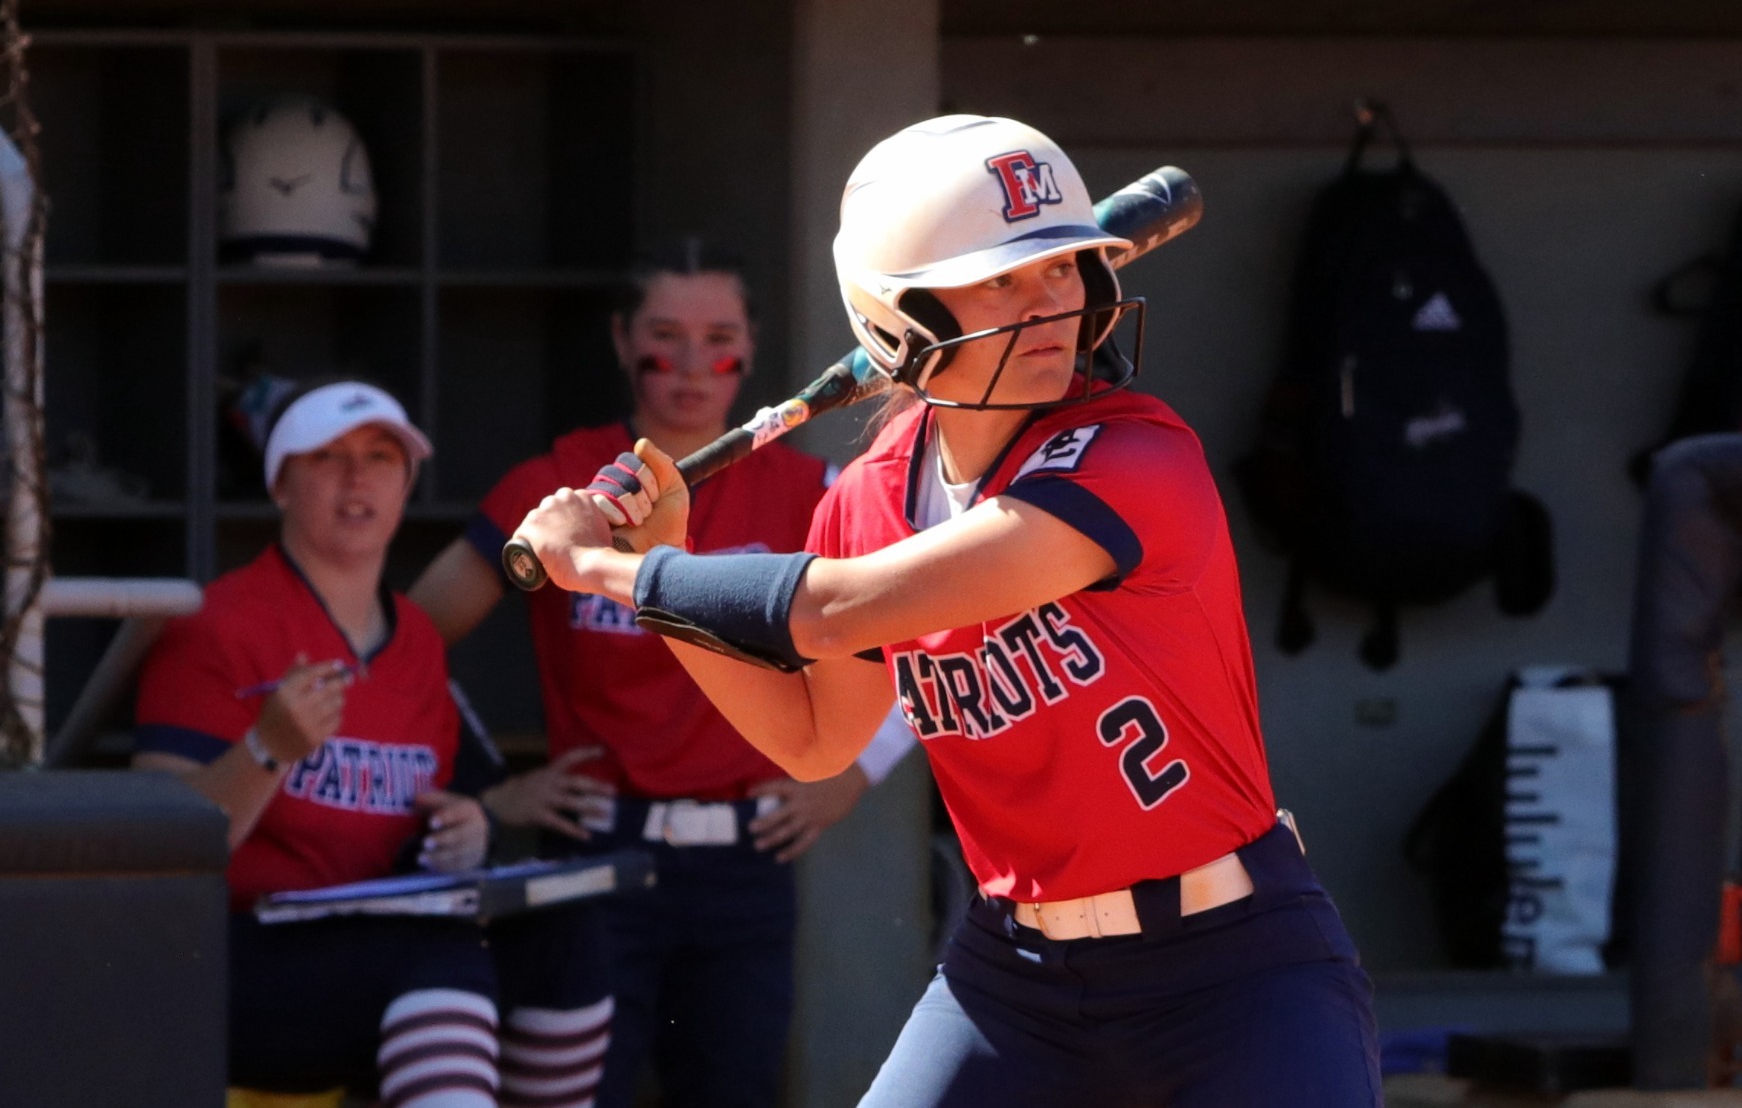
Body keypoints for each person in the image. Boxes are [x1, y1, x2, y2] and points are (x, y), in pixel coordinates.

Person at [510, 115, 1382, 1107]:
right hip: (1016, 983)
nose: (1051, 301)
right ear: (901, 317)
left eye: (1061, 267)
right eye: (1004, 278)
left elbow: (835, 612)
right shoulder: (868, 497)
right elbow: (811, 739)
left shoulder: (1134, 455)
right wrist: (665, 561)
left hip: (1230, 971)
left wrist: (605, 570)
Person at [411, 244, 914, 1108]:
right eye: (663, 338)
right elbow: (401, 645)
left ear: (751, 349)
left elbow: (923, 630)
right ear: (620, 341)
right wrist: (497, 794)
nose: (690, 366)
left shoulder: (814, 489)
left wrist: (855, 773)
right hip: (600, 857)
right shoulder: (561, 490)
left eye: (718, 340)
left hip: (747, 860)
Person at [133, 381, 612, 1108]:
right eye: (329, 457)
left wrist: (466, 829)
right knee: (440, 959)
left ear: (406, 482)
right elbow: (153, 852)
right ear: (281, 483)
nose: (358, 479)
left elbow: (449, 805)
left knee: (569, 940)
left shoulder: (416, 639)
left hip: (374, 940)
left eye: (381, 457)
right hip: (232, 957)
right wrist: (267, 749)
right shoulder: (220, 623)